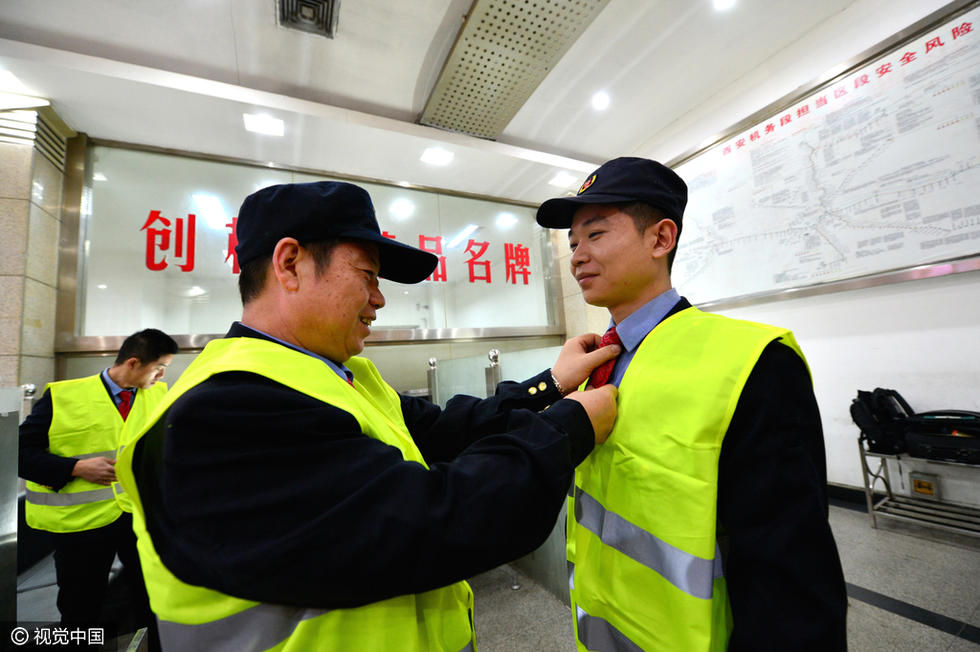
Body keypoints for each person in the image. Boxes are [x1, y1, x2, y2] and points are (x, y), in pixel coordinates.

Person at [115, 180, 620, 652]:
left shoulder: (336, 375)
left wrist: (548, 386)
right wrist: (566, 430)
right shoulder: (224, 413)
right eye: (368, 276)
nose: (379, 299)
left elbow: (443, 431)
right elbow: (433, 520)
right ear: (290, 264)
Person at [536, 157, 848, 651]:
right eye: (572, 243)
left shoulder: (750, 362)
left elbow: (791, 573)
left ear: (660, 239)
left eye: (595, 235)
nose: (576, 256)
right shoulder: (595, 364)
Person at [19, 328, 177, 639]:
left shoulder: (160, 396)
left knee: (150, 603)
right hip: (82, 526)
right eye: (159, 368)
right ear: (133, 363)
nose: (160, 377)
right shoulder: (63, 396)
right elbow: (20, 454)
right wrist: (75, 467)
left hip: (140, 519)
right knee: (80, 609)